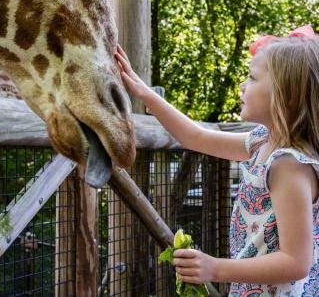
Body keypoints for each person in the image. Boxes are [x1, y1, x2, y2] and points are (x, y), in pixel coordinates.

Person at [115, 25, 319, 296]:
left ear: (287, 96)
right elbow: (195, 138)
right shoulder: (261, 141)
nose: (243, 85)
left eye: (252, 78)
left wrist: (215, 268)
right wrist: (143, 93)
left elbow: (296, 262)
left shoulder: (289, 166)